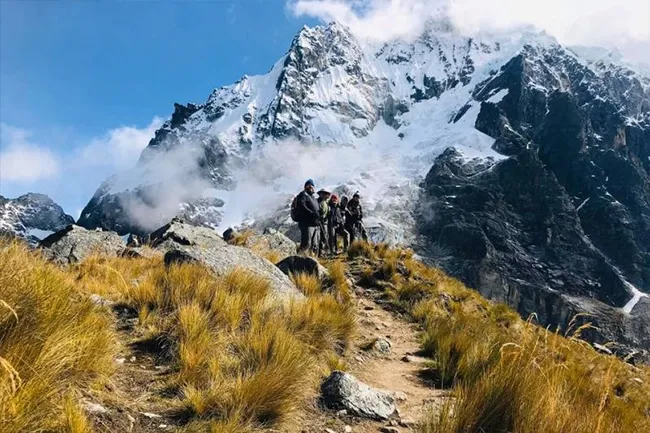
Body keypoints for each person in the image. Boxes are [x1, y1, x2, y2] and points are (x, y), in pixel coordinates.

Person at [295, 179, 320, 254]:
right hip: (306, 224)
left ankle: (311, 261)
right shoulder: (303, 195)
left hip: (315, 224)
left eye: (312, 185)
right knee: (306, 244)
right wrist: (312, 213)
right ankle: (299, 260)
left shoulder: (313, 198)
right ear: (305, 186)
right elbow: (302, 206)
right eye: (308, 185)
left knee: (314, 245)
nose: (310, 187)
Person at [317, 189, 331, 256]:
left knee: (324, 236)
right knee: (321, 237)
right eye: (325, 194)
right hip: (320, 222)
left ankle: (322, 251)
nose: (326, 196)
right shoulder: (319, 202)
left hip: (325, 222)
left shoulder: (326, 203)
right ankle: (320, 252)